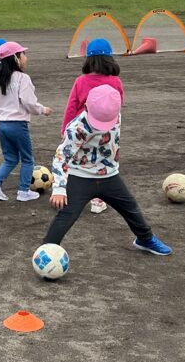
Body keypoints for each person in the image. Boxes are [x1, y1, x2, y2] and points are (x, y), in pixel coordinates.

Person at [44, 85, 171, 256]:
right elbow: (61, 157)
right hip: (80, 176)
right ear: (86, 107)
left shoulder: (114, 115)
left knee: (130, 207)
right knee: (67, 215)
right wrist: (59, 189)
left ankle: (145, 239)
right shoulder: (76, 128)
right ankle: (46, 250)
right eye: (98, 121)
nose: (102, 127)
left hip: (109, 175)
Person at [61, 38, 126, 214]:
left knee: (75, 161)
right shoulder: (115, 81)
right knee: (102, 162)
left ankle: (68, 192)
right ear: (110, 59)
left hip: (81, 130)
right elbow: (118, 105)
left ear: (88, 60)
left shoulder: (80, 81)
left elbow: (71, 107)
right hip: (105, 131)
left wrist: (65, 129)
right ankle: (98, 200)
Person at [0, 41, 52, 202]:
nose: (26, 57)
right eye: (23, 54)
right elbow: (28, 101)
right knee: (27, 159)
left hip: (2, 125)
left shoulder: (1, 81)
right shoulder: (23, 78)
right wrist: (42, 110)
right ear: (15, 58)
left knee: (11, 159)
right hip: (18, 125)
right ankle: (23, 191)